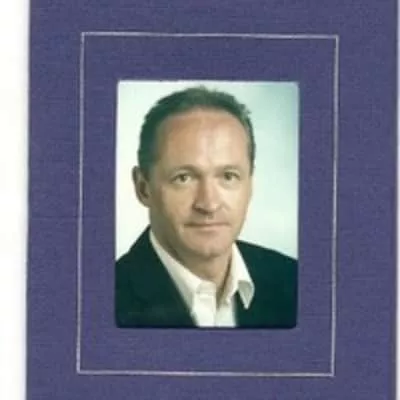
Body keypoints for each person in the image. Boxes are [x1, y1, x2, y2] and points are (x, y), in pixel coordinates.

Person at [115, 86, 297, 328]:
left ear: (250, 184)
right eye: (184, 178)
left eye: (228, 176)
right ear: (143, 188)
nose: (209, 204)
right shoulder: (104, 300)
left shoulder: (293, 279)